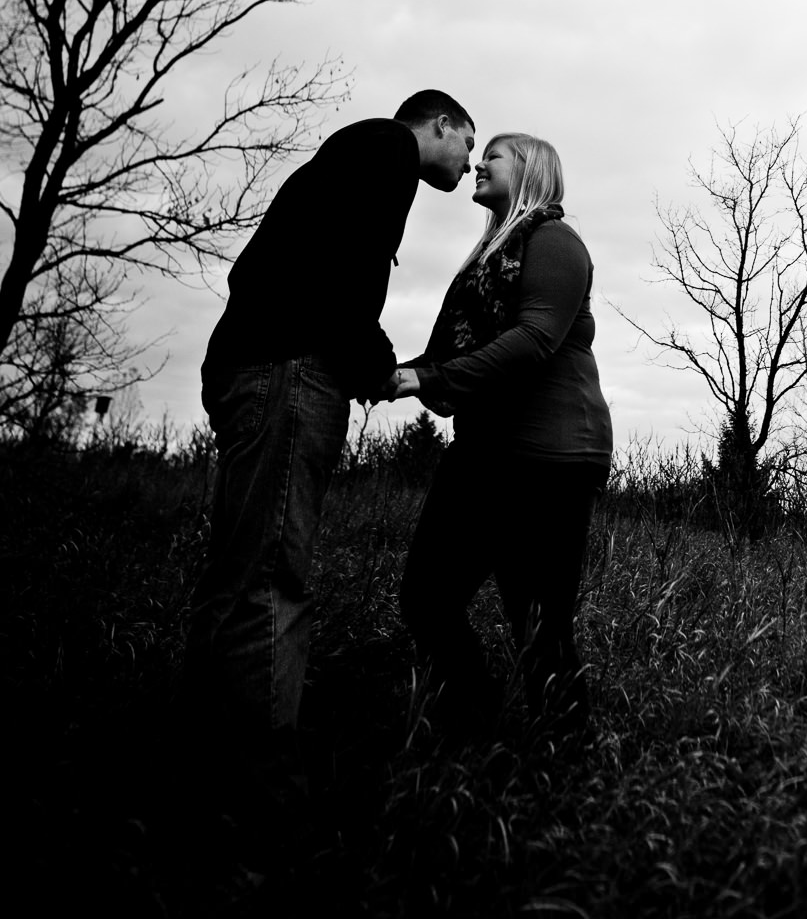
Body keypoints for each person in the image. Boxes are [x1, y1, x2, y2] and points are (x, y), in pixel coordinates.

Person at [184, 89, 475, 808]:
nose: (469, 165)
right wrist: (377, 363)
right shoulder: (383, 149)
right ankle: (265, 791)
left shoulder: (350, 159)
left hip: (257, 366)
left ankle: (198, 757)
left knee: (237, 572)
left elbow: (303, 267)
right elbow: (341, 268)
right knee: (270, 578)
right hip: (286, 374)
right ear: (438, 124)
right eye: (468, 144)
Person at [388, 131, 612, 741]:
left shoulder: (554, 242)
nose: (480, 163)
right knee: (427, 599)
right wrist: (397, 371)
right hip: (486, 449)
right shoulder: (489, 258)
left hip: (552, 459)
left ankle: (566, 775)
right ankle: (476, 721)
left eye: (495, 155)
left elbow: (534, 340)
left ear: (532, 170)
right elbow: (458, 352)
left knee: (538, 624)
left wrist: (424, 378)